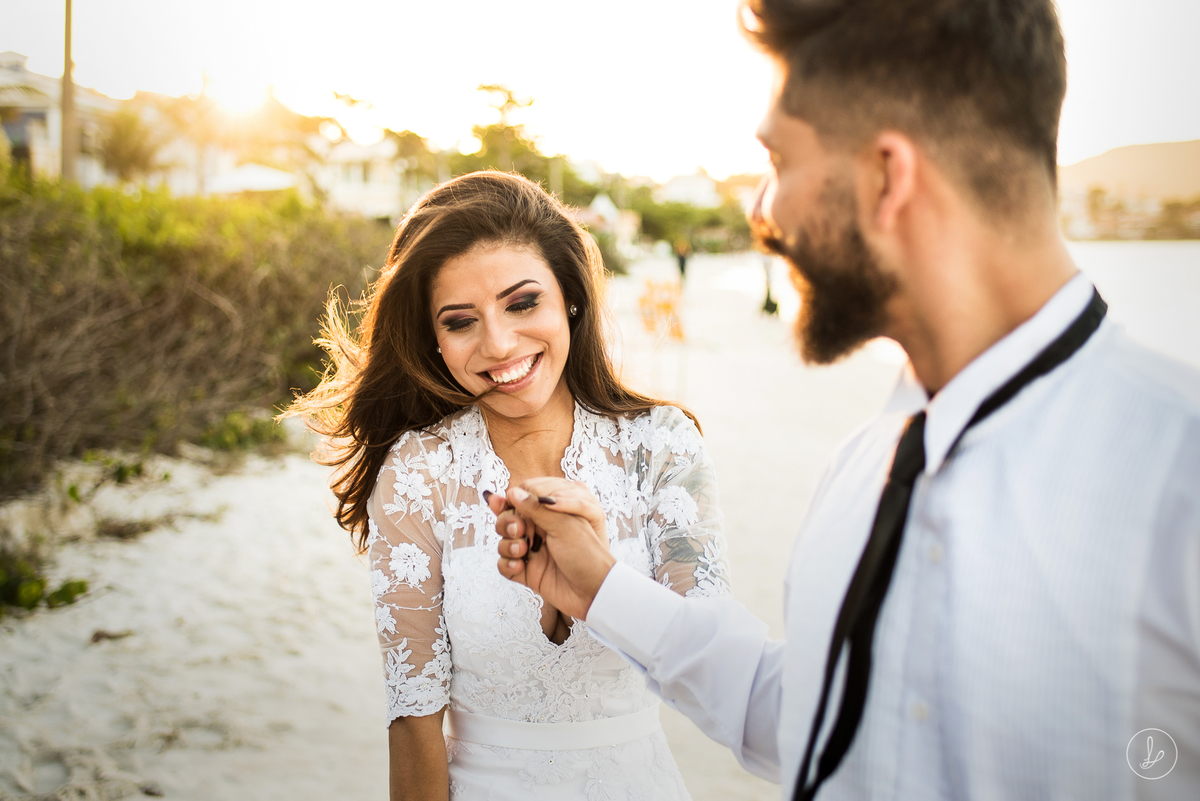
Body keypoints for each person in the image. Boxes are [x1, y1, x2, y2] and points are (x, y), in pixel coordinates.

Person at [492, 1, 1200, 799]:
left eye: (780, 160)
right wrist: (601, 588)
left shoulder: (1180, 479)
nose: (763, 211)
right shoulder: (865, 462)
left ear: (887, 175)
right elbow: (822, 720)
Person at [288, 171, 730, 801]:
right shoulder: (420, 471)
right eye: (461, 321)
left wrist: (598, 580)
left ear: (569, 297)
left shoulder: (661, 445)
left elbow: (713, 675)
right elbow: (413, 716)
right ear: (433, 340)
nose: (499, 343)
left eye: (522, 304)